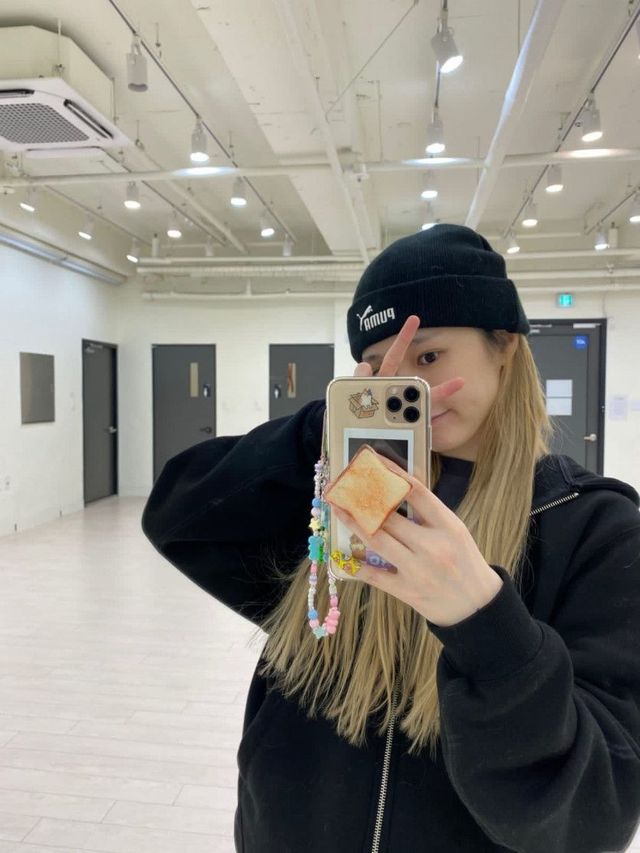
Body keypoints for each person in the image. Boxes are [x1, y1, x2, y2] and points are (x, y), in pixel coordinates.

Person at [141, 224, 640, 852]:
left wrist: (484, 623)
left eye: (428, 358)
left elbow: (593, 814)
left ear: (505, 346)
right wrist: (330, 425)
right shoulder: (349, 495)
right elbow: (178, 515)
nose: (408, 385)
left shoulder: (592, 527)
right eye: (380, 370)